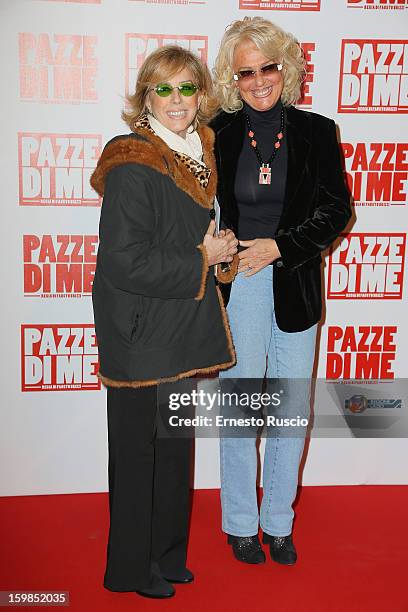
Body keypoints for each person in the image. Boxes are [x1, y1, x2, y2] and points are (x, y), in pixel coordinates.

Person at [90, 45, 238, 599]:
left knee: (175, 444)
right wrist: (202, 256)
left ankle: (168, 553)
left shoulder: (199, 148)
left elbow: (187, 234)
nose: (176, 100)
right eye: (163, 89)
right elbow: (123, 261)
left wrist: (215, 255)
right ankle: (129, 569)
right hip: (137, 326)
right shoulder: (133, 157)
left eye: (187, 88)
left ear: (202, 94)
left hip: (180, 319)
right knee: (136, 451)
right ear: (146, 96)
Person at [211, 17, 352, 565]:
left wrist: (281, 247)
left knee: (291, 411)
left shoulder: (317, 131)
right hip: (240, 282)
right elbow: (200, 209)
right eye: (246, 71)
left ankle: (278, 522)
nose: (259, 79)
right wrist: (224, 243)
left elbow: (337, 210)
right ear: (233, 77)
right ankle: (241, 523)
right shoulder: (216, 132)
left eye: (268, 66)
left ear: (286, 68)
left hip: (294, 283)